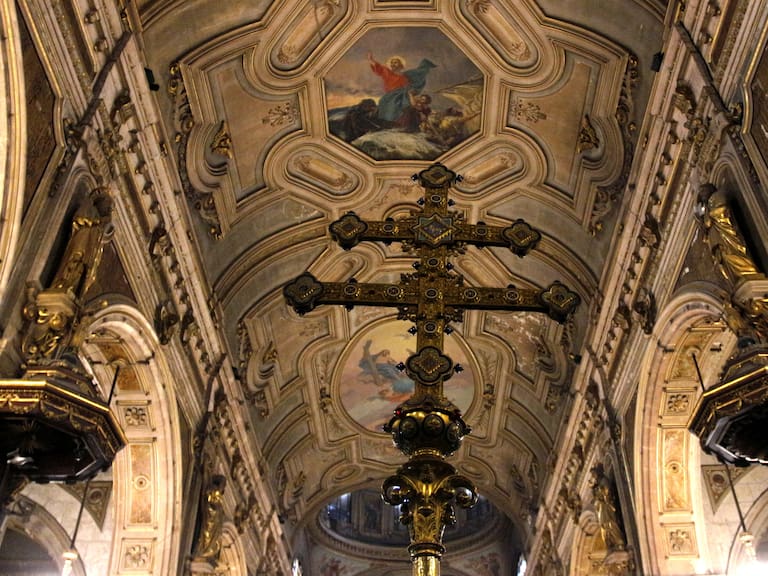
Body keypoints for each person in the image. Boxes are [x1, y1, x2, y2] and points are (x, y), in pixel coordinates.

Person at [368, 52, 437, 123]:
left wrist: (410, 91)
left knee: (405, 104)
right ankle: (387, 121)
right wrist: (371, 60)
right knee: (384, 101)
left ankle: (401, 122)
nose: (393, 64)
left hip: (403, 94)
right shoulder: (387, 72)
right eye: (392, 62)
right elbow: (379, 68)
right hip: (390, 95)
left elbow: (416, 75)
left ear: (401, 65)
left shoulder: (406, 75)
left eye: (395, 62)